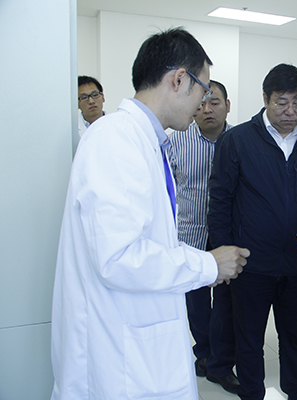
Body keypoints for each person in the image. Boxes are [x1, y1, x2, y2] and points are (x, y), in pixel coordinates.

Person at [50, 28, 250, 400]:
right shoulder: (116, 140)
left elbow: (148, 241)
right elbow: (118, 257)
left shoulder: (144, 139)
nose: (203, 104)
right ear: (179, 80)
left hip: (138, 346)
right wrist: (208, 264)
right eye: (203, 90)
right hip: (118, 361)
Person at [208, 63, 297, 400]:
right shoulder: (237, 141)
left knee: (294, 335)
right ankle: (252, 393)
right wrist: (224, 253)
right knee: (249, 338)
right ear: (265, 99)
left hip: (295, 263)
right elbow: (220, 201)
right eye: (282, 103)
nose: (291, 112)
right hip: (250, 264)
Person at [167, 80, 239, 394]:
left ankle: (221, 359)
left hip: (228, 235)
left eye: (215, 103)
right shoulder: (176, 140)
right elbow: (165, 189)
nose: (208, 110)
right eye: (201, 104)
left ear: (228, 105)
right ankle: (205, 352)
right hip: (190, 232)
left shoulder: (241, 140)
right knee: (196, 302)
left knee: (226, 301)